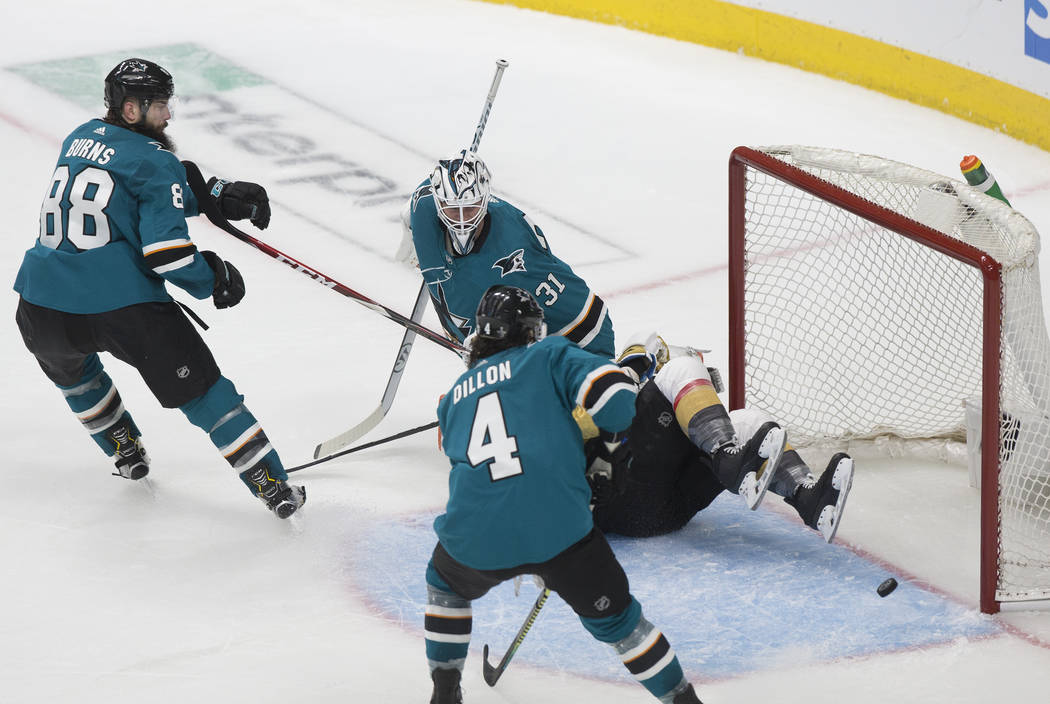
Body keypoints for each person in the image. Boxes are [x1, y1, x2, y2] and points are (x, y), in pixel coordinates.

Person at [422, 285, 778, 704]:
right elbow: (618, 404)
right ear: (530, 332)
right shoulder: (549, 355)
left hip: (475, 535)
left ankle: (445, 694)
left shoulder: (455, 395)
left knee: (444, 586)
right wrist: (602, 451)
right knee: (621, 624)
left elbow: (467, 459)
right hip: (559, 532)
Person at [13, 58, 305, 519]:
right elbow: (167, 253)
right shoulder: (157, 161)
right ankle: (270, 483)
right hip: (123, 310)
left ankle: (125, 451)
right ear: (132, 110)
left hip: (41, 304)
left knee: (76, 375)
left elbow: (124, 188)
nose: (168, 116)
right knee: (207, 394)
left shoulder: (80, 136)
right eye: (160, 107)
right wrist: (213, 277)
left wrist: (212, 195)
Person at [587, 333, 854, 543]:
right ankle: (727, 456)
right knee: (683, 368)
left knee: (748, 423)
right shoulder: (622, 377)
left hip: (656, 512)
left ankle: (809, 499)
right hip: (626, 487)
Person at [397, 149, 615, 357]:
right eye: (454, 209)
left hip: (566, 344)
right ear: (438, 201)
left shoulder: (516, 248)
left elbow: (581, 323)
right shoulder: (423, 208)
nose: (462, 220)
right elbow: (423, 196)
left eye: (471, 207)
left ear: (485, 199)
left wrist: (489, 348)